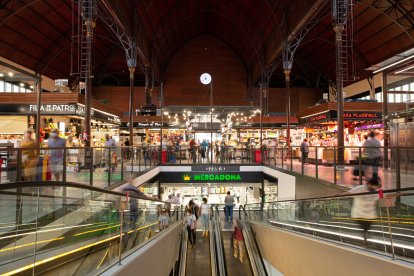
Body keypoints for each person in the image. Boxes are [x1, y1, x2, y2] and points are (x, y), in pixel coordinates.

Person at [344, 178, 380, 243]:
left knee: (367, 227)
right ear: (369, 184)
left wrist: (398, 194)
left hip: (370, 214)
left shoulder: (378, 190)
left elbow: (384, 195)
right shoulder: (360, 188)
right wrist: (338, 195)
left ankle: (365, 237)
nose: (375, 188)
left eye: (377, 187)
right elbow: (349, 192)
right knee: (364, 227)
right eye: (374, 186)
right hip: (358, 214)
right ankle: (365, 237)